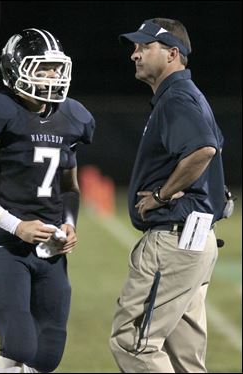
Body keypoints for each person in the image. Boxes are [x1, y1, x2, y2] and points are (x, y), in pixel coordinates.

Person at [0, 28, 95, 373]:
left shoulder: (72, 117)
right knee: (18, 344)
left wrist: (70, 224)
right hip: (6, 244)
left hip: (51, 248)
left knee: (47, 356)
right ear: (14, 68)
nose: (52, 76)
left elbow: (69, 187)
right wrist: (16, 226)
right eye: (42, 67)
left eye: (55, 68)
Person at [109, 18, 229, 373]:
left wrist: (161, 195)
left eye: (145, 47)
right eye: (135, 47)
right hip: (195, 238)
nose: (135, 54)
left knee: (134, 343)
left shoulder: (176, 97)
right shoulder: (188, 96)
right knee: (183, 358)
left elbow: (203, 150)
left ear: (173, 54)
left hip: (175, 240)